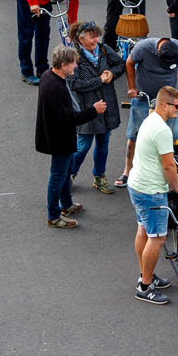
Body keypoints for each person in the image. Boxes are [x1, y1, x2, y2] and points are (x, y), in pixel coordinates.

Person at [127, 84, 178, 303]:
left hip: (137, 185)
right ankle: (145, 286)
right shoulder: (163, 130)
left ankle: (146, 274)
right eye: (176, 106)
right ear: (164, 105)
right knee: (158, 237)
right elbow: (169, 166)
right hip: (152, 191)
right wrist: (177, 188)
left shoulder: (150, 120)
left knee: (143, 230)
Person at [35, 46, 106, 229]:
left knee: (65, 173)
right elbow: (67, 118)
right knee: (58, 176)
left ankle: (66, 205)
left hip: (57, 136)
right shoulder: (55, 87)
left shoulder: (49, 77)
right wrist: (93, 111)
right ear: (64, 65)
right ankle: (53, 215)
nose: (76, 65)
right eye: (73, 63)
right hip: (59, 139)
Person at [117, 35, 178, 187]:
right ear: (158, 52)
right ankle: (127, 170)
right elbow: (130, 63)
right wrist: (132, 87)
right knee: (134, 135)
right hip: (143, 98)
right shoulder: (143, 48)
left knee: (174, 136)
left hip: (168, 101)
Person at [15, 0, 99, 86]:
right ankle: (26, 72)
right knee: (26, 35)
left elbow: (72, 1)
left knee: (43, 34)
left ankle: (42, 69)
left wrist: (73, 28)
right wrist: (33, 3)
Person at [68, 20, 125, 193]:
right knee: (82, 146)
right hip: (87, 109)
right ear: (80, 39)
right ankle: (69, 174)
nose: (95, 41)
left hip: (106, 106)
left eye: (96, 37)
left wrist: (111, 74)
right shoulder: (73, 57)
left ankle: (99, 177)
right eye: (91, 38)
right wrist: (99, 80)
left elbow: (120, 64)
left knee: (103, 144)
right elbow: (75, 84)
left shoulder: (103, 50)